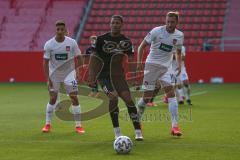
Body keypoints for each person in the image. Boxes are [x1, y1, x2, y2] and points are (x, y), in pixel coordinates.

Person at [87, 15, 143, 140]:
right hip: (104, 76)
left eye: (117, 23)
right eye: (113, 23)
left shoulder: (126, 42)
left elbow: (131, 59)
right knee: (113, 97)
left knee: (129, 99)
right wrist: (91, 75)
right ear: (110, 24)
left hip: (118, 76)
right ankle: (117, 132)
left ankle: (138, 131)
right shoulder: (101, 39)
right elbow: (93, 57)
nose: (114, 25)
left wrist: (135, 77)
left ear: (122, 25)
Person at [137, 11, 184, 136]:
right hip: (151, 66)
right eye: (168, 21)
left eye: (172, 22)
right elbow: (141, 46)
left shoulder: (179, 35)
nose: (169, 24)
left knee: (171, 94)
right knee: (146, 97)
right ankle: (137, 121)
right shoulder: (156, 31)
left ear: (176, 22)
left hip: (166, 68)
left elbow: (178, 52)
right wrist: (139, 63)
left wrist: (179, 64)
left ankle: (175, 127)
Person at [41, 20, 85, 134]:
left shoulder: (72, 43)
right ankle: (47, 124)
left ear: (65, 30)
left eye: (62, 29)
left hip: (70, 74)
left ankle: (78, 126)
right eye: (58, 29)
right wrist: (48, 78)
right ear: (55, 30)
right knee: (53, 98)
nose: (60, 31)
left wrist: (79, 72)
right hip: (54, 75)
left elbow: (79, 57)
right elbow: (45, 62)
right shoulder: (49, 44)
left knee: (74, 98)